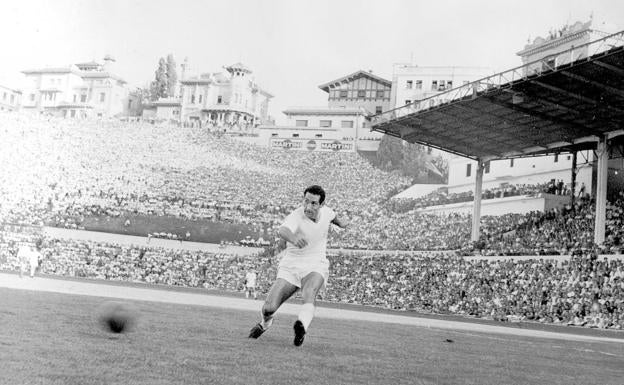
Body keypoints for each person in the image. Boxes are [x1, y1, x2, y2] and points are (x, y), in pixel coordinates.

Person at [248, 185, 348, 346]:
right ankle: (265, 323)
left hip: (316, 263)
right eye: (306, 201)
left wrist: (343, 223)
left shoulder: (327, 212)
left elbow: (335, 219)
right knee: (268, 308)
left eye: (313, 203)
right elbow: (283, 230)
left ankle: (301, 327)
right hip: (292, 265)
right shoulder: (296, 215)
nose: (308, 207)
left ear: (321, 204)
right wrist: (294, 238)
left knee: (309, 292)